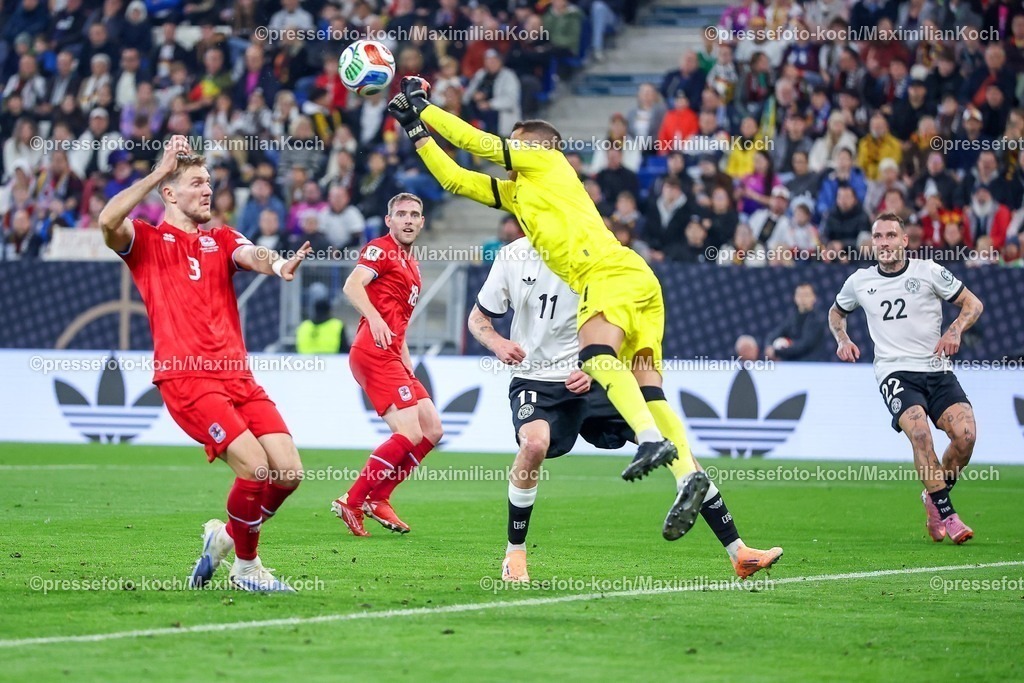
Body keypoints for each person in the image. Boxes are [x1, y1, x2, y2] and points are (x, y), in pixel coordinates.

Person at [388, 77, 749, 546]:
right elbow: (454, 177)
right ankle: (705, 504)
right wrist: (415, 129)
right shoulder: (519, 196)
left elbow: (479, 144)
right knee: (652, 394)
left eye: (517, 145)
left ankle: (648, 442)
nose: (510, 152)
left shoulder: (549, 161)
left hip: (610, 276)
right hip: (635, 283)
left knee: (597, 356)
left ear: (541, 148)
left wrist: (427, 107)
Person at [470, 238, 782, 581]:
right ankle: (515, 554)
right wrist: (496, 342)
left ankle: (740, 553)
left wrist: (594, 366)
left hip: (595, 377)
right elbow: (479, 317)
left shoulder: (600, 253)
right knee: (533, 445)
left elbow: (622, 326)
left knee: (674, 447)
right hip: (536, 380)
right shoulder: (514, 255)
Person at [98, 136, 311, 592]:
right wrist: (157, 171)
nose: (208, 190)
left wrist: (276, 266)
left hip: (237, 376)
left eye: (210, 183)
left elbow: (250, 253)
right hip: (187, 376)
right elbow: (107, 219)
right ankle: (247, 569)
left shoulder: (221, 237)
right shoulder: (145, 240)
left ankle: (224, 537)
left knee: (288, 472)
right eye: (196, 183)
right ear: (170, 194)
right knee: (255, 468)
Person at [829, 212, 984, 545]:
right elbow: (836, 312)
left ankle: (933, 496)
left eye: (890, 236)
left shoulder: (927, 271)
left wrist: (954, 330)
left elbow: (973, 304)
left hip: (936, 369)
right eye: (878, 237)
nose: (883, 243)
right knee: (919, 433)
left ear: (904, 240)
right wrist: (842, 339)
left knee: (966, 437)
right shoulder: (859, 281)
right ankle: (949, 515)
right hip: (895, 371)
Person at [331, 193, 443, 537]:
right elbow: (352, 285)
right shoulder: (380, 248)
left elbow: (400, 324)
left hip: (392, 354)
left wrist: (406, 364)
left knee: (431, 430)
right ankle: (352, 500)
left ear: (422, 222)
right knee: (408, 432)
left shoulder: (413, 265)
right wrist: (375, 319)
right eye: (401, 214)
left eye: (414, 214)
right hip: (372, 351)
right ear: (388, 220)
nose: (408, 220)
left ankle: (379, 497)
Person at [765, 283, 826, 361]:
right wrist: (769, 346)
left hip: (811, 365)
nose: (802, 298)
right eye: (800, 295)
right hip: (791, 365)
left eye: (806, 295)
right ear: (795, 297)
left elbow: (805, 345)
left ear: (814, 298)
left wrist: (779, 351)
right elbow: (773, 335)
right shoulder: (791, 319)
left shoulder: (817, 320)